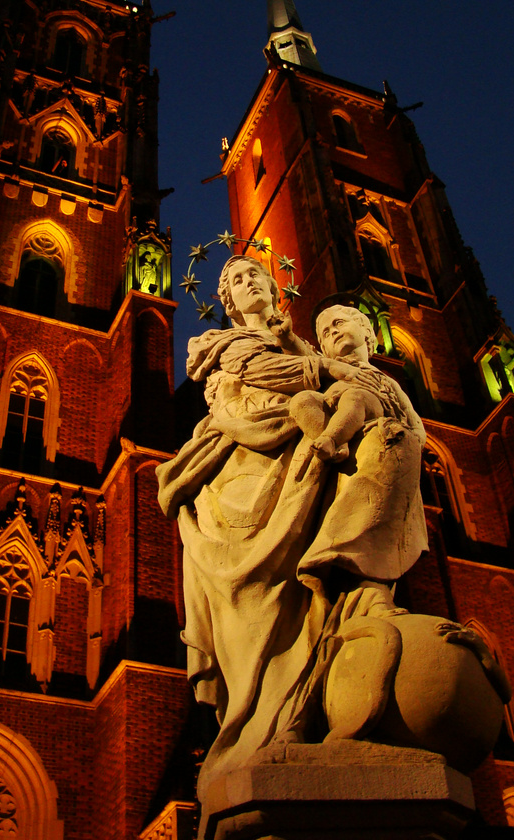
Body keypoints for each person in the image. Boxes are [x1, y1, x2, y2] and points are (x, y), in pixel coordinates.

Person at [155, 256, 427, 797]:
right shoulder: (218, 344)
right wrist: (332, 371)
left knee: (315, 593)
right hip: (242, 469)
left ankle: (329, 694)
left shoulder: (304, 344)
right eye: (235, 280)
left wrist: (334, 372)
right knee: (258, 611)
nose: (248, 282)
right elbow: (259, 377)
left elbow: (350, 393)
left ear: (275, 288)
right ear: (227, 300)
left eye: (256, 274)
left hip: (305, 456)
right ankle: (261, 722)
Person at [290, 304, 421, 463]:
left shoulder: (384, 379)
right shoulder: (331, 370)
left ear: (365, 330)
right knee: (302, 400)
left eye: (338, 323)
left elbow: (413, 420)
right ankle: (339, 442)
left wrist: (413, 442)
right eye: (326, 333)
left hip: (370, 408)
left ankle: (331, 439)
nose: (333, 331)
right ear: (325, 349)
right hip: (336, 410)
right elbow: (302, 355)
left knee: (356, 397)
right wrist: (286, 338)